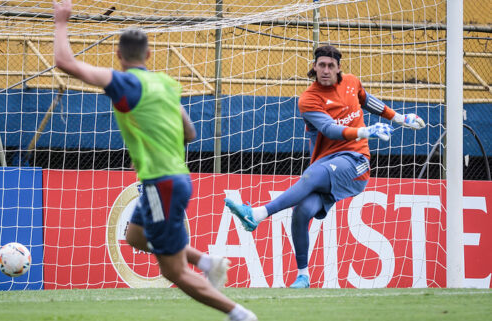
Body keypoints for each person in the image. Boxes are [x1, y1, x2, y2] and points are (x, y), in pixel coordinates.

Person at [53, 1, 257, 320]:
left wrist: (61, 21)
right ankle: (207, 262)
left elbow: (64, 62)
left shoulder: (124, 83)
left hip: (161, 182)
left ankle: (239, 314)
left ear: (118, 56)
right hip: (173, 178)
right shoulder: (164, 84)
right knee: (135, 235)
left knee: (173, 271)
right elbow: (189, 133)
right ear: (148, 55)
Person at [224, 45, 426, 289]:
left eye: (331, 65)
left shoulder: (351, 83)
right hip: (327, 165)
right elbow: (330, 129)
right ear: (314, 66)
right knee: (301, 212)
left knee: (313, 175)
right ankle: (303, 276)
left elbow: (368, 100)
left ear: (339, 68)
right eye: (322, 65)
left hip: (355, 162)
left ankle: (256, 214)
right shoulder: (309, 99)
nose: (326, 70)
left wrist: (399, 118)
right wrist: (367, 131)